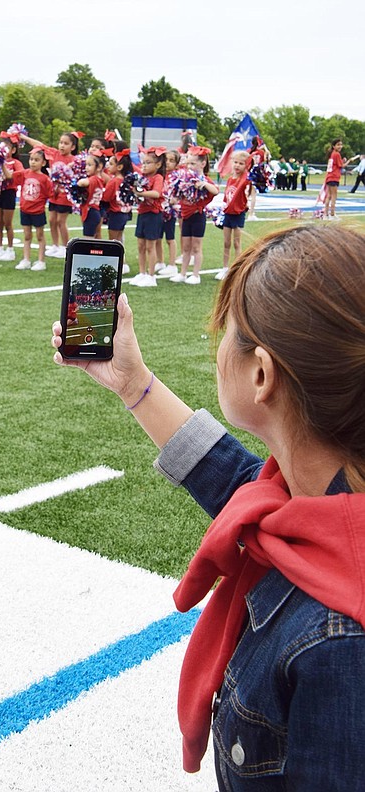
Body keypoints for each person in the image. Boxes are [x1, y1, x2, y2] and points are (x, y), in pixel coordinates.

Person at [51, 223, 365, 790]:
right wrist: (132, 382)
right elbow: (240, 487)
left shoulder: (342, 645)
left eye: (229, 331)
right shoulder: (319, 507)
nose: (220, 344)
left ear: (261, 374)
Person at [20, 130, 80, 258]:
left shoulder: (75, 160)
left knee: (60, 221)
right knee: (52, 220)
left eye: (66, 143)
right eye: (61, 142)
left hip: (65, 195)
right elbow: (39, 145)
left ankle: (65, 247)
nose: (62, 145)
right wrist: (23, 137)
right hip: (53, 194)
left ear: (73, 147)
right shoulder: (54, 154)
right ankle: (55, 245)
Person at [170, 146, 219, 285]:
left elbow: (215, 191)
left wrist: (203, 184)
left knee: (196, 247)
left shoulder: (205, 179)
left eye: (193, 163)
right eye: (188, 163)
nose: (189, 167)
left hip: (198, 215)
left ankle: (196, 274)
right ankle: (183, 273)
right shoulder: (185, 179)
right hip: (186, 216)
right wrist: (174, 199)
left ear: (202, 164)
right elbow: (178, 194)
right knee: (185, 247)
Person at [4, 147, 54, 271]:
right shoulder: (24, 173)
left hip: (38, 211)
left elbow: (51, 194)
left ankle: (41, 261)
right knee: (26, 236)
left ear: (43, 163)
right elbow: (9, 176)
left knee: (40, 236)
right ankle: (26, 259)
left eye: (36, 160)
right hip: (24, 210)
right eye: (31, 159)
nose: (33, 162)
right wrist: (1, 164)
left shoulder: (45, 179)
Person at [128, 147, 166, 288]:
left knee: (151, 246)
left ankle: (151, 275)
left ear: (158, 165)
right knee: (140, 245)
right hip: (142, 213)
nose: (144, 165)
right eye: (143, 162)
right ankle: (142, 273)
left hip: (153, 215)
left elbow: (156, 193)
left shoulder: (158, 177)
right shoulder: (142, 178)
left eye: (148, 162)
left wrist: (140, 193)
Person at [216, 150, 250, 281]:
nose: (237, 165)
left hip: (238, 214)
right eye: (235, 162)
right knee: (226, 242)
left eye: (241, 163)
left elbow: (248, 182)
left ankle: (237, 268)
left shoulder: (244, 179)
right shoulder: (230, 179)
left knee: (237, 243)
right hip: (228, 214)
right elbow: (227, 197)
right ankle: (225, 268)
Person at [0, 135, 23, 262]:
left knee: (7, 223)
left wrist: (2, 165)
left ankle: (10, 250)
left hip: (9, 193)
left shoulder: (16, 163)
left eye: (7, 148)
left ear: (13, 150)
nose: (4, 150)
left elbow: (14, 176)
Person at [103, 148, 133, 273]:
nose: (108, 166)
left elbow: (106, 197)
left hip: (115, 212)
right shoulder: (126, 180)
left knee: (113, 241)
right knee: (119, 239)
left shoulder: (114, 181)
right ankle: (122, 263)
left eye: (111, 164)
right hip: (124, 212)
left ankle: (115, 265)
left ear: (119, 167)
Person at [157, 149, 182, 277]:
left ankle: (172, 265)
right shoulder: (160, 175)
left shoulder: (177, 176)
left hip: (170, 211)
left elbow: (181, 191)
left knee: (170, 238)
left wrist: (175, 199)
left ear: (177, 164)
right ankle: (160, 262)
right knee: (157, 238)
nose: (167, 163)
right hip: (158, 210)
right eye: (166, 159)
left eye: (172, 161)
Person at [323, 138, 357, 220]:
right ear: (334, 146)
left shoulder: (332, 154)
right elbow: (342, 166)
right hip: (334, 177)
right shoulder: (336, 154)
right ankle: (332, 214)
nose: (340, 146)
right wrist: (349, 161)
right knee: (334, 196)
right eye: (338, 145)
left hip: (329, 177)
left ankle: (326, 214)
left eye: (341, 145)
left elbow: (338, 164)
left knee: (329, 196)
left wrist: (343, 160)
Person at [77, 154, 105, 238]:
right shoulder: (99, 179)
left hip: (90, 212)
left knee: (88, 239)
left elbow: (82, 183)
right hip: (94, 211)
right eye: (86, 165)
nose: (86, 168)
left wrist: (77, 182)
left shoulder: (94, 179)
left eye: (90, 165)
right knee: (93, 238)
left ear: (99, 167)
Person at [247, 135, 270, 218]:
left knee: (247, 193)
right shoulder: (261, 152)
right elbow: (267, 160)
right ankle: (251, 213)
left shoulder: (249, 151)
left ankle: (246, 210)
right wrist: (265, 149)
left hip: (248, 172)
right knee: (253, 194)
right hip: (256, 173)